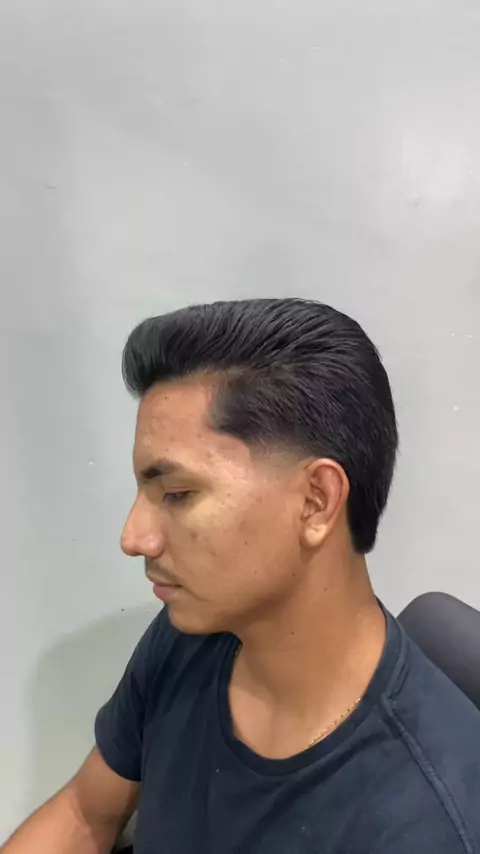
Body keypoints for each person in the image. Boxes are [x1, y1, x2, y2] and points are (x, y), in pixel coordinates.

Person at [3, 297, 480, 854]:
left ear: (316, 501)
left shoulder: (421, 824)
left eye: (177, 493)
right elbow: (86, 813)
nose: (134, 537)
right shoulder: (193, 634)